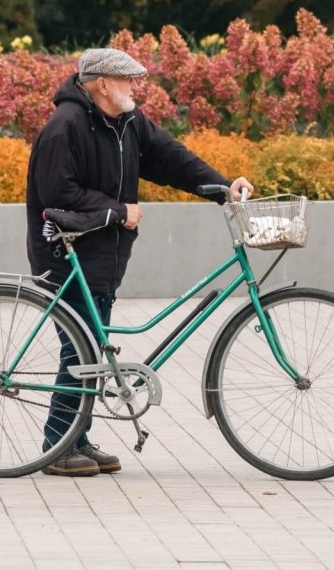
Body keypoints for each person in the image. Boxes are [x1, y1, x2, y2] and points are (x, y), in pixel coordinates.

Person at [26, 47, 254, 477]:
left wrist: (222, 186)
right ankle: (57, 445)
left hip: (104, 255)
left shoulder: (127, 122)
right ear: (102, 85)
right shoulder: (64, 127)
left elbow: (170, 158)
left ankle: (77, 437)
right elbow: (57, 195)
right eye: (128, 79)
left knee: (91, 348)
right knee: (82, 349)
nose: (135, 86)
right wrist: (117, 210)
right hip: (65, 254)